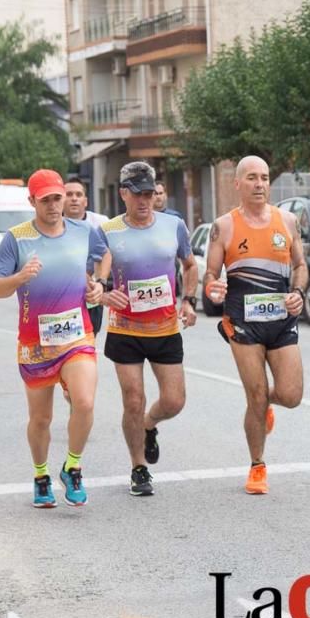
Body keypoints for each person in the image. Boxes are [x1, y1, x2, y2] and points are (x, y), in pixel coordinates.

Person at [0, 169, 107, 509]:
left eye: (59, 197)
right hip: (35, 342)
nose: (55, 205)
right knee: (41, 418)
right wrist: (20, 276)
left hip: (77, 334)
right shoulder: (17, 238)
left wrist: (98, 284)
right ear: (32, 201)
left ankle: (72, 466)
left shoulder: (84, 230)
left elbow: (101, 260)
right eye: (47, 200)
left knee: (84, 401)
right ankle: (41, 475)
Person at [204, 156, 307, 495]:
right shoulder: (224, 226)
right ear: (238, 184)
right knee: (256, 393)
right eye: (252, 178)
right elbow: (211, 275)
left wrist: (298, 292)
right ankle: (257, 466)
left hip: (281, 318)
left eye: (264, 178)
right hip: (243, 320)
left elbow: (301, 265)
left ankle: (265, 409)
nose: (260, 184)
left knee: (291, 395)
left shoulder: (288, 221)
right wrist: (213, 287)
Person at [98, 162, 198, 496]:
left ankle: (149, 424)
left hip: (165, 328)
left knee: (174, 401)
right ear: (123, 193)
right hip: (125, 329)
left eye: (149, 194)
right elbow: (93, 273)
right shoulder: (109, 231)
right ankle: (138, 467)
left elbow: (189, 265)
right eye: (137, 194)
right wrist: (102, 291)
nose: (144, 200)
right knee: (133, 399)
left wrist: (189, 301)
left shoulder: (174, 225)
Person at [64, 177, 109, 335]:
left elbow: (107, 254)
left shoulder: (101, 222)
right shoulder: (53, 225)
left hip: (91, 291)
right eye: (69, 194)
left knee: (89, 337)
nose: (74, 198)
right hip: (63, 293)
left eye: (78, 194)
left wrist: (100, 281)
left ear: (86, 201)